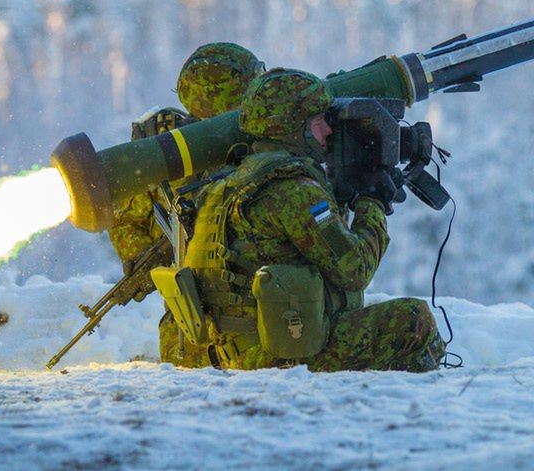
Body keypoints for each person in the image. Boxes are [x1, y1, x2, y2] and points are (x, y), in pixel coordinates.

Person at [179, 68, 445, 371]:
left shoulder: (227, 182)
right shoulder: (292, 190)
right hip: (271, 354)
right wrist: (373, 203)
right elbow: (355, 268)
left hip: (226, 348)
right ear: (295, 129)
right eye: (319, 123)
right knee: (413, 319)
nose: (328, 133)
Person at [107, 42, 265, 367]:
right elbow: (127, 221)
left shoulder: (166, 151)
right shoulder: (174, 152)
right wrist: (151, 262)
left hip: (194, 342)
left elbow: (124, 219)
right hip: (251, 340)